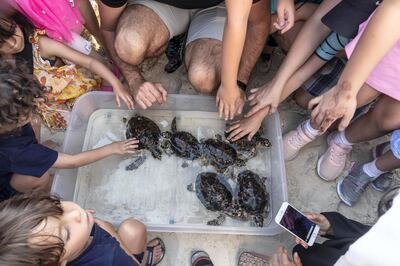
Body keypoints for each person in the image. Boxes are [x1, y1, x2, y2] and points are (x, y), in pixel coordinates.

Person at [98, 0, 292, 119]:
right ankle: (177, 37)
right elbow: (108, 28)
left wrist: (236, 83)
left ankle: (190, 42)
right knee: (128, 45)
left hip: (219, 7)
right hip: (160, 6)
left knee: (205, 78)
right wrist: (134, 80)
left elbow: (257, 22)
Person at [226, 0, 378, 141]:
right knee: (303, 96)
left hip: (374, 64)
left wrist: (261, 112)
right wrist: (275, 86)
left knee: (317, 111)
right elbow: (317, 21)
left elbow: (311, 66)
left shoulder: (368, 34)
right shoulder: (349, 17)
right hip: (351, 34)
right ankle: (270, 45)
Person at [0, 61, 138, 202]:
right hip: (5, 188)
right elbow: (72, 162)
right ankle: (30, 195)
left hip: (10, 159)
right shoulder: (17, 150)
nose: (30, 112)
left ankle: (38, 153)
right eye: (24, 114)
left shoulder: (6, 117)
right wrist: (112, 148)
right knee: (41, 176)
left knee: (35, 120)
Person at [0, 14, 133, 130]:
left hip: (77, 89)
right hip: (52, 105)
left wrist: (115, 83)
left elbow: (89, 62)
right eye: (2, 42)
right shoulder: (4, 69)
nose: (13, 43)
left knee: (101, 113)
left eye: (12, 31)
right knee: (84, 124)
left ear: (16, 22)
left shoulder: (41, 46)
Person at [0, 191, 165, 265]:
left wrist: (100, 226)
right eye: (66, 232)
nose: (75, 214)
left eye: (58, 208)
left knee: (133, 228)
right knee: (135, 231)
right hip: (122, 259)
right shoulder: (109, 259)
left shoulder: (67, 238)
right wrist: (108, 232)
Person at [270, 186, 400, 266]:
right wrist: (330, 227)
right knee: (303, 251)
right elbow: (369, 235)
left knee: (302, 252)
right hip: (335, 255)